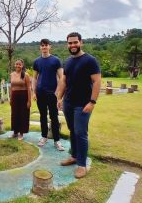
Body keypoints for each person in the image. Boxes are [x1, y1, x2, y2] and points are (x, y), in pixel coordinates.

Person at [57, 32, 101, 179]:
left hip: (83, 104)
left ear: (81, 42)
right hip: (69, 102)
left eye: (75, 42)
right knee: (72, 130)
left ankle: (82, 165)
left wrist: (92, 102)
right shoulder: (68, 61)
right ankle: (74, 156)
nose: (73, 45)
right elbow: (64, 80)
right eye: (70, 43)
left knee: (81, 133)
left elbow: (97, 82)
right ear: (67, 44)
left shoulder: (90, 60)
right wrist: (60, 98)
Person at [32, 38, 64, 151]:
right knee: (42, 116)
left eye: (46, 45)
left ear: (50, 46)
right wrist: (34, 92)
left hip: (53, 94)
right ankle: (44, 137)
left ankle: (57, 140)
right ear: (40, 47)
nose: (44, 47)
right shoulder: (36, 61)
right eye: (42, 45)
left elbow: (62, 78)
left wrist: (59, 94)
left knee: (54, 117)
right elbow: (34, 78)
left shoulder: (56, 60)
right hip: (40, 93)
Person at [9, 59, 31, 140]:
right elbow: (11, 87)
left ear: (22, 65)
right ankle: (15, 132)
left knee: (23, 114)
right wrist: (11, 98)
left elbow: (29, 88)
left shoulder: (26, 75)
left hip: (23, 96)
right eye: (16, 64)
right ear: (15, 65)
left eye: (19, 64)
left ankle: (21, 133)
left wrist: (29, 101)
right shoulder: (12, 74)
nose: (18, 66)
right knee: (14, 114)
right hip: (14, 96)